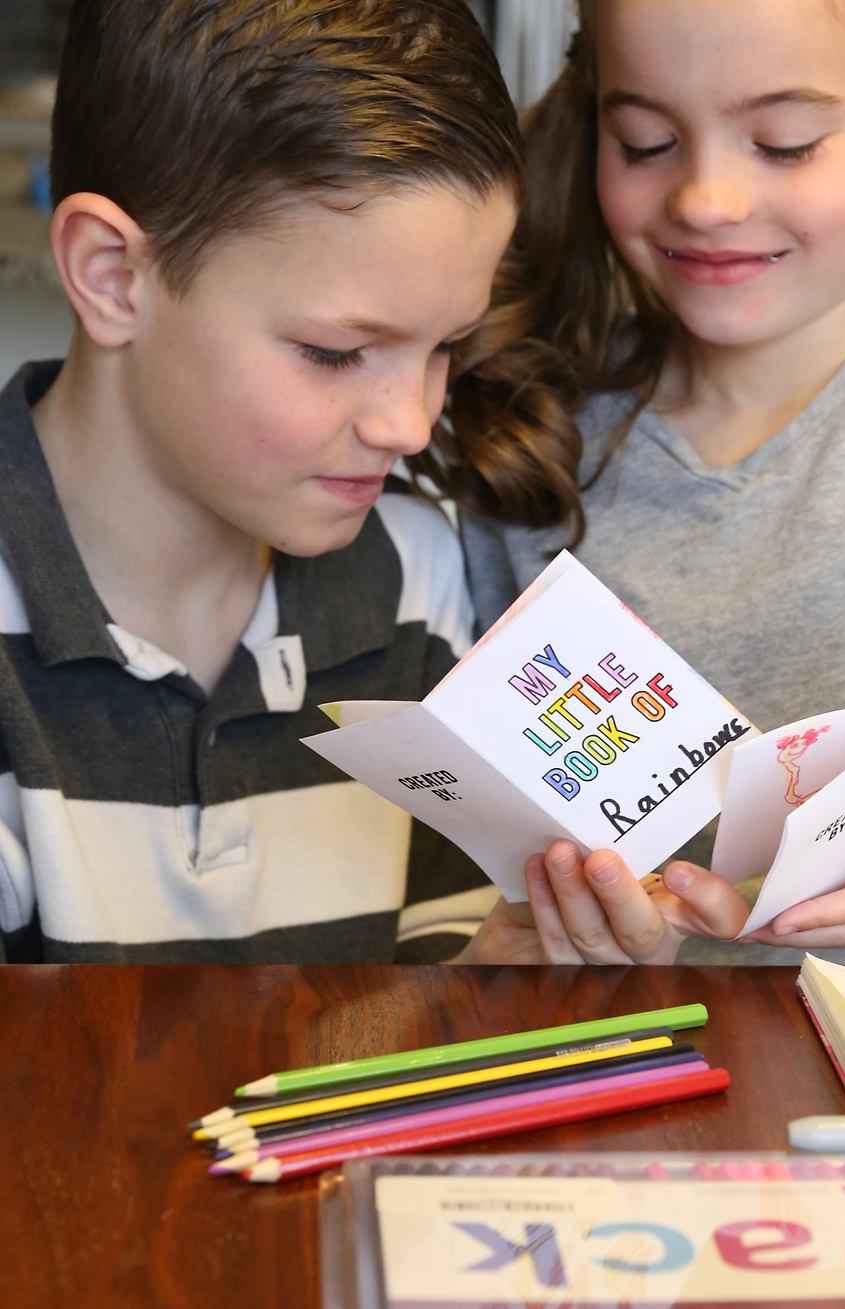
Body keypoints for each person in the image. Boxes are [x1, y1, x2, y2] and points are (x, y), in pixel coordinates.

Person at [440, 0, 845, 965]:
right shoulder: (516, 429)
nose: (704, 198)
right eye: (646, 141)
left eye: (783, 143)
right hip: (600, 1081)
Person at [0, 0, 520, 964]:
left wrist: (518, 969)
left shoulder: (423, 590)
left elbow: (434, 1014)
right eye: (335, 352)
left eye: (446, 345)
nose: (410, 424)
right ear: (113, 277)